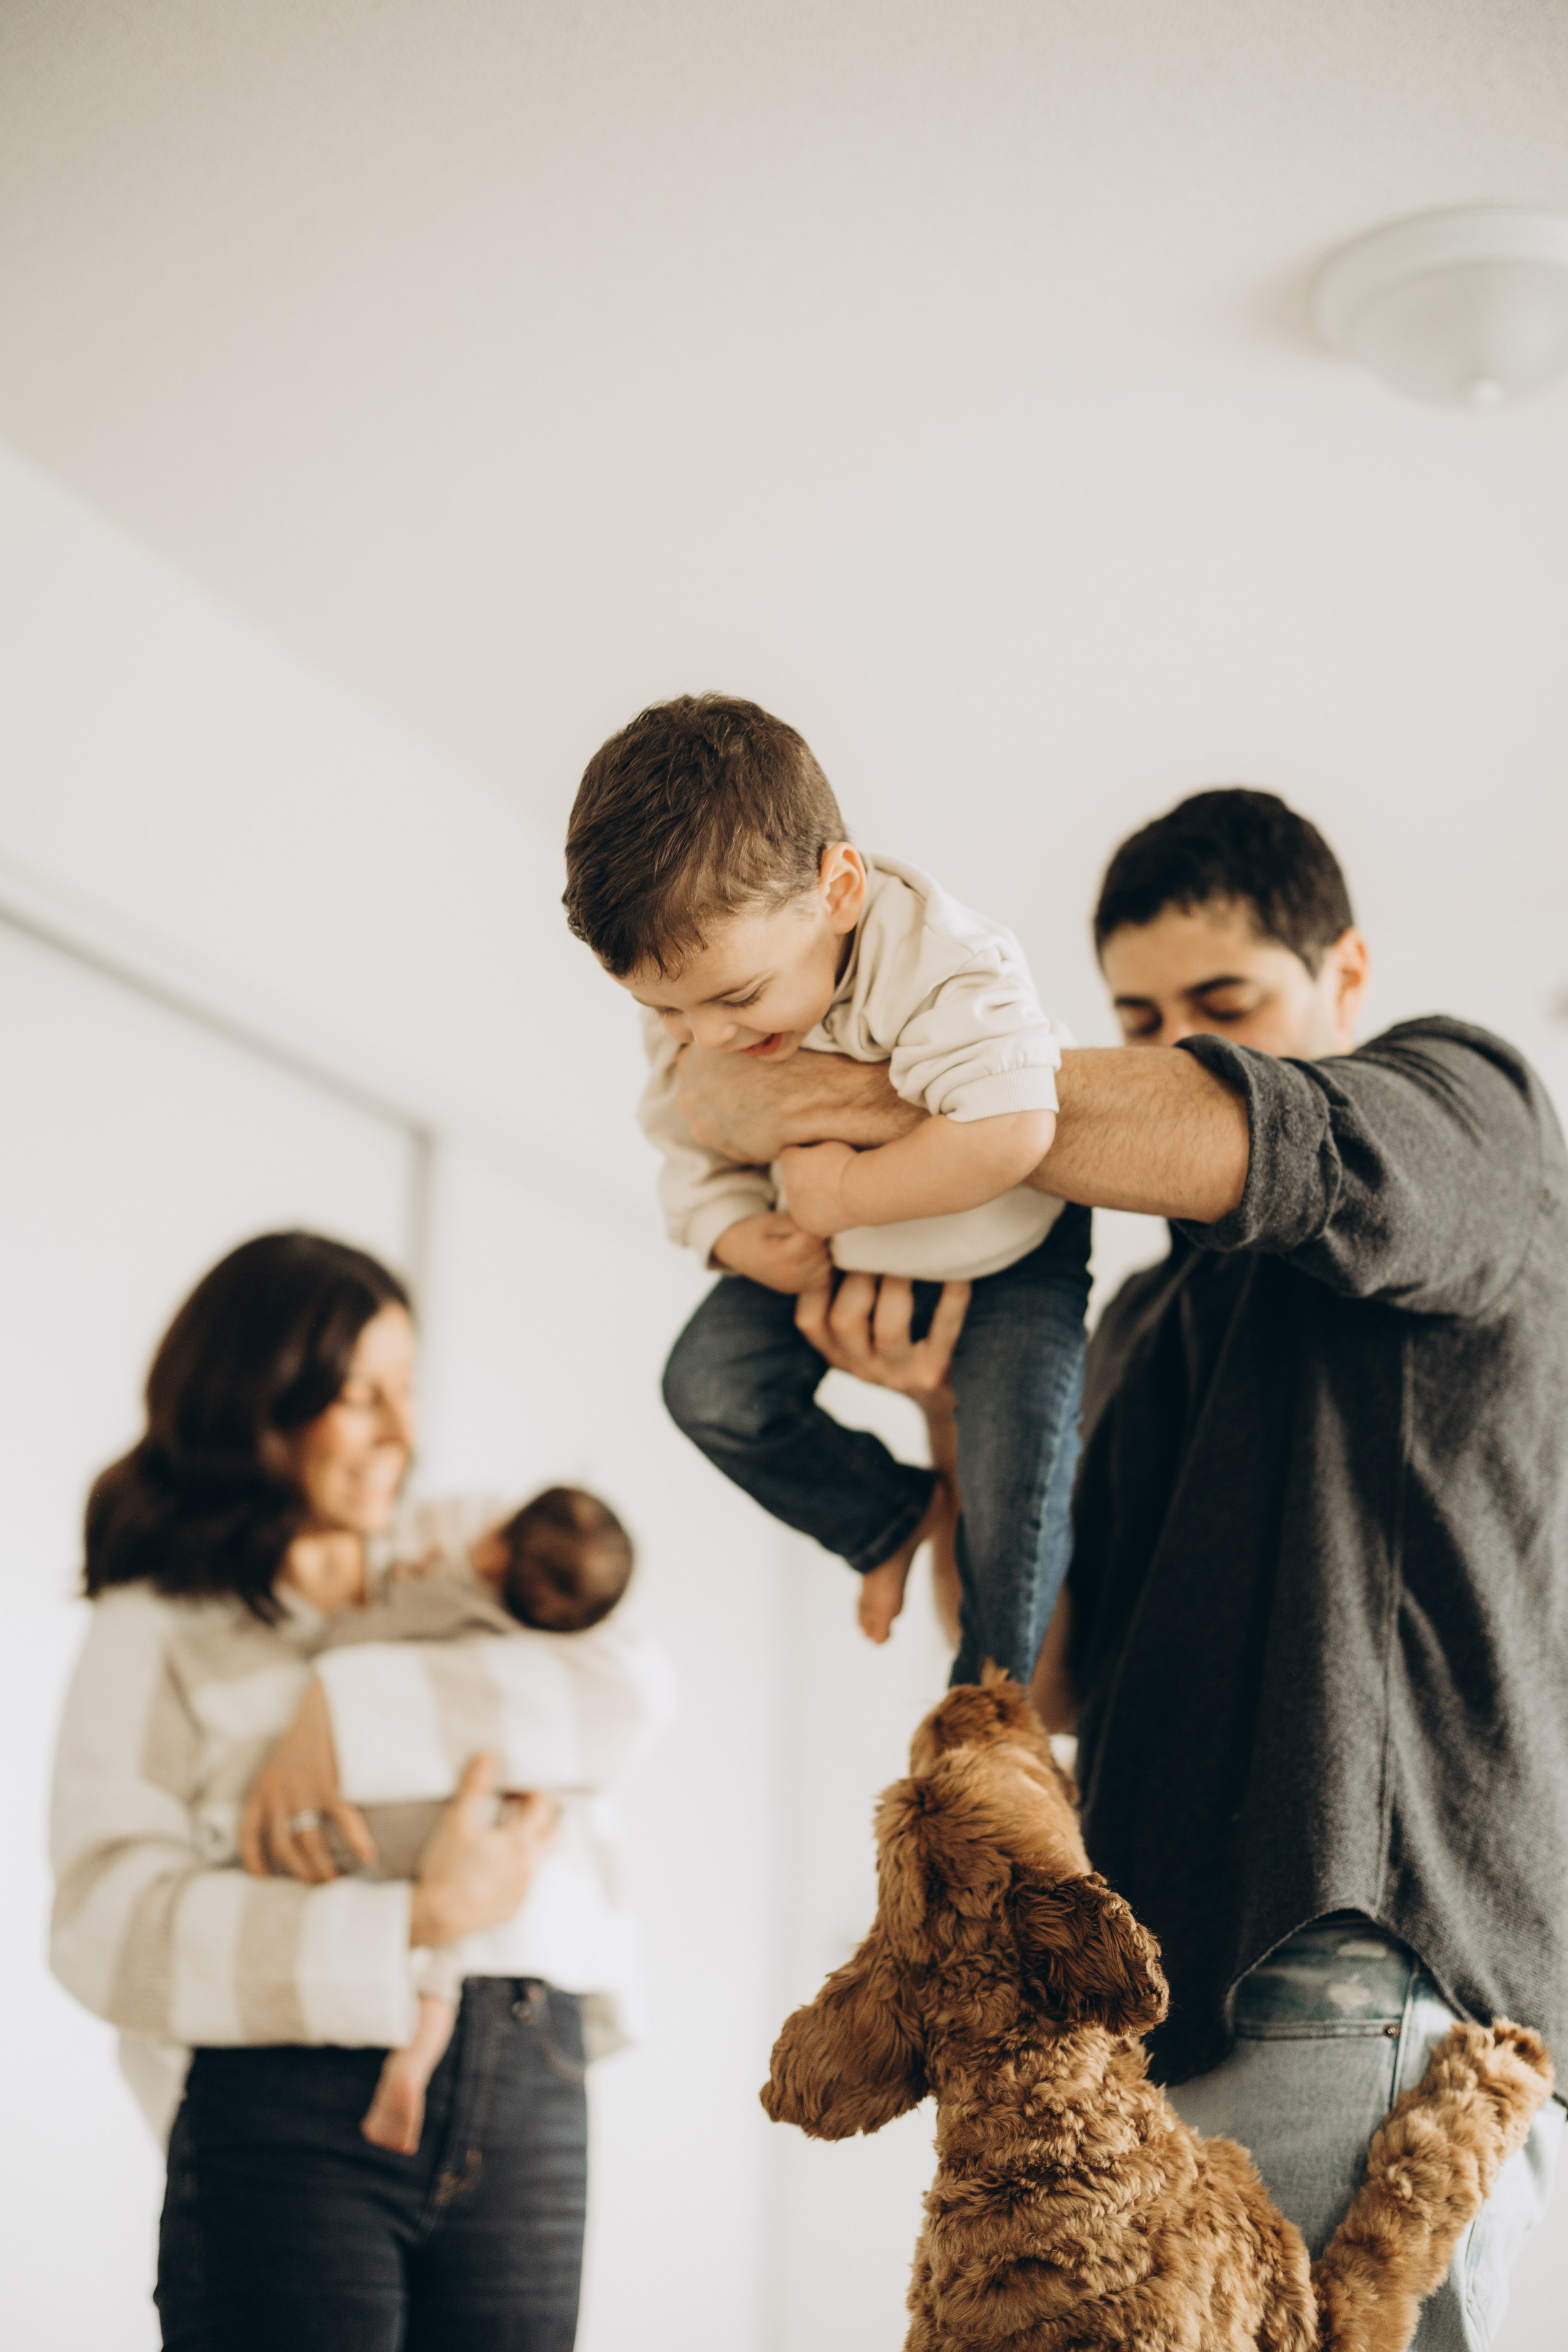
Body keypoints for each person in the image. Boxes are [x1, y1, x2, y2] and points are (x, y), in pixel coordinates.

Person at [668, 786, 1568, 2349]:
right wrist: (952, 1421)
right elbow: (1060, 1669)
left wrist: (870, 1104)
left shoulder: (1462, 1106)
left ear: (1341, 972)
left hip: (1346, 1978)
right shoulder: (1140, 1324)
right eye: (1139, 1017)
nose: (1177, 1045)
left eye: (1223, 1008)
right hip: (1148, 2004)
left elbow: (1265, 1137)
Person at [50, 1231, 668, 2352]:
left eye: (410, 1389)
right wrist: (408, 1923)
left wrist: (343, 1707)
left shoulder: (463, 1541)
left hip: (529, 2075)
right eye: (359, 1395)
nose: (404, 1434)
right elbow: (103, 1923)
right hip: (287, 2101)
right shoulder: (158, 1624)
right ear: (260, 1401)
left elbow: (626, 1698)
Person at [563, 692, 1091, 1686]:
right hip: (825, 1246)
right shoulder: (697, 1000)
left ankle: (989, 1721)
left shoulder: (943, 956)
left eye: (738, 999)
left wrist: (843, 1196)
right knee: (708, 1390)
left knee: (1016, 1506)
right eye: (666, 1012)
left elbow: (1016, 1127)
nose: (706, 1039)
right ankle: (885, 1517)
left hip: (1008, 1254)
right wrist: (726, 1231)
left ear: (837, 889)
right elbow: (685, 1130)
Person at [321, 1486, 647, 2157]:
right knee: (452, 1942)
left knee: (417, 1918)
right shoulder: (535, 1655)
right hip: (475, 1822)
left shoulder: (437, 1590)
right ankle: (413, 2060)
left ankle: (406, 2050)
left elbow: (348, 1639)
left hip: (389, 1819)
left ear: (496, 1551)